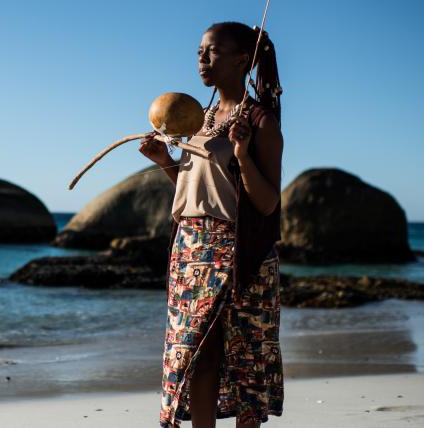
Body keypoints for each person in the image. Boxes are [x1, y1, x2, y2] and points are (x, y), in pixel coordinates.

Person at [139, 21, 285, 428]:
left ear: (242, 59)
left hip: (238, 252)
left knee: (245, 359)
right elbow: (196, 191)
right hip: (189, 249)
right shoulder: (196, 118)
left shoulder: (260, 122)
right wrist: (165, 162)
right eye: (200, 51)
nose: (202, 58)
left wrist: (241, 152)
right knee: (195, 355)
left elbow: (268, 202)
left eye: (213, 51)